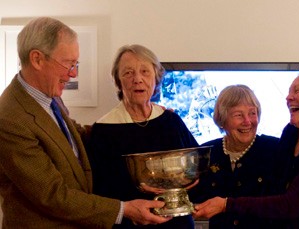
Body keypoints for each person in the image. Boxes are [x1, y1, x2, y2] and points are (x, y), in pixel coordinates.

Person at [0, 17, 171, 228]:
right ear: (37, 59)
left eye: (76, 64)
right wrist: (124, 209)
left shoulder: (49, 96)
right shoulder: (9, 118)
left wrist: (130, 123)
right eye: (68, 64)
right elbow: (53, 195)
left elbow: (73, 135)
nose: (73, 74)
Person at [193, 67, 299, 229]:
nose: (288, 97)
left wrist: (227, 204)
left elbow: (291, 203)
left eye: (297, 90)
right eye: (238, 115)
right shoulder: (291, 134)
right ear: (222, 119)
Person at [87, 44, 199, 229]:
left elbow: (195, 166)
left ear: (156, 77)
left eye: (145, 71)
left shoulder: (171, 120)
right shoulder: (103, 129)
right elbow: (100, 191)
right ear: (118, 81)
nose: (137, 79)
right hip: (131, 224)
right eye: (128, 73)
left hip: (177, 222)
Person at [189, 85, 280, 228]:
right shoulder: (206, 153)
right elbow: (191, 197)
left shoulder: (275, 150)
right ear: (222, 120)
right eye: (238, 115)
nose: (248, 121)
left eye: (252, 113)